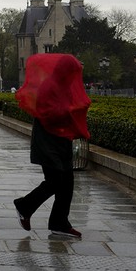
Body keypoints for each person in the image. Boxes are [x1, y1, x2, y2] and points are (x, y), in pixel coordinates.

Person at [13, 54, 90, 238]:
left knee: (68, 182)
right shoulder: (50, 86)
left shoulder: (63, 86)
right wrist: (71, 112)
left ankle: (59, 222)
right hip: (47, 141)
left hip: (61, 139)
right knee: (55, 181)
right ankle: (24, 205)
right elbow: (49, 113)